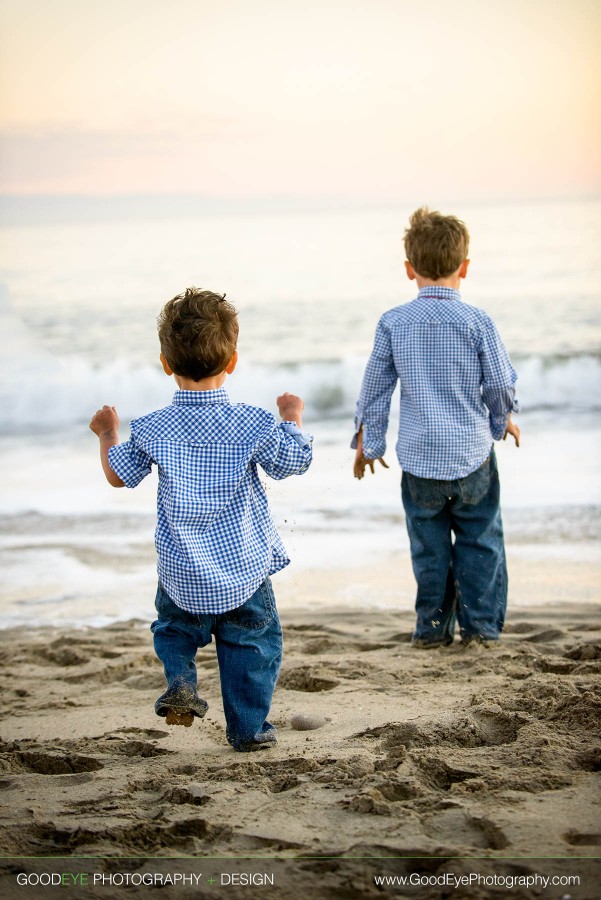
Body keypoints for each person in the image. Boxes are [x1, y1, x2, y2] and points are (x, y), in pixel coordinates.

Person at [89, 288, 312, 751]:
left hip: (180, 572)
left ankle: (181, 682)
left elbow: (118, 476)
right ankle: (249, 730)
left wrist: (108, 432)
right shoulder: (252, 423)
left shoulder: (152, 426)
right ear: (232, 361)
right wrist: (291, 418)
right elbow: (292, 463)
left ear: (166, 364)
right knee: (252, 647)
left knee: (173, 631)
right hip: (243, 570)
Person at [352, 207, 520, 647]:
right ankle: (482, 629)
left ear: (410, 270)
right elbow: (500, 383)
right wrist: (502, 421)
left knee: (429, 550)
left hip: (420, 461)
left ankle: (430, 631)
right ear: (465, 267)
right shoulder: (478, 322)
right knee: (480, 542)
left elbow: (375, 388)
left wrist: (369, 443)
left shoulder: (393, 322)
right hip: (471, 456)